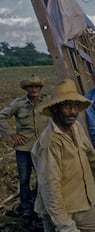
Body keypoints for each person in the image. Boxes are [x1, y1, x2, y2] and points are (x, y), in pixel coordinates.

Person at [31, 79, 95, 232]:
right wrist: (65, 225)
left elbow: (90, 155)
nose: (72, 110)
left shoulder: (75, 126)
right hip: (60, 212)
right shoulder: (50, 141)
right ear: (56, 108)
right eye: (66, 105)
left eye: (75, 105)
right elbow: (50, 187)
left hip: (81, 205)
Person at [0, 75, 49, 219]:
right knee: (24, 180)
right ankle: (26, 208)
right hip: (24, 149)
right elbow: (1, 116)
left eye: (36, 87)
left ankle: (43, 206)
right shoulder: (18, 104)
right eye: (31, 87)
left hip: (42, 148)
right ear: (26, 89)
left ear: (40, 88)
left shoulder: (47, 102)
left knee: (45, 178)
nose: (34, 89)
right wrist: (11, 134)